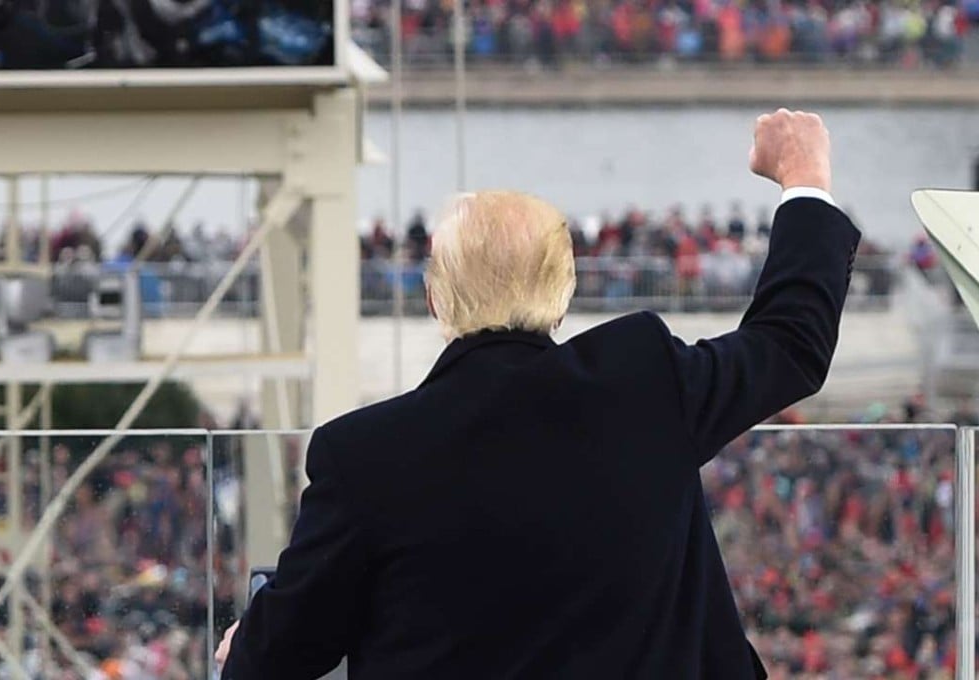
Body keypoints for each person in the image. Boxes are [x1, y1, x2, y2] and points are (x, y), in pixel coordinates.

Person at [217, 109, 860, 679]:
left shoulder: (362, 454)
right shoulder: (644, 379)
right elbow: (789, 346)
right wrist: (804, 176)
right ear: (563, 295)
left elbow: (275, 656)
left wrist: (245, 645)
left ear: (436, 298)